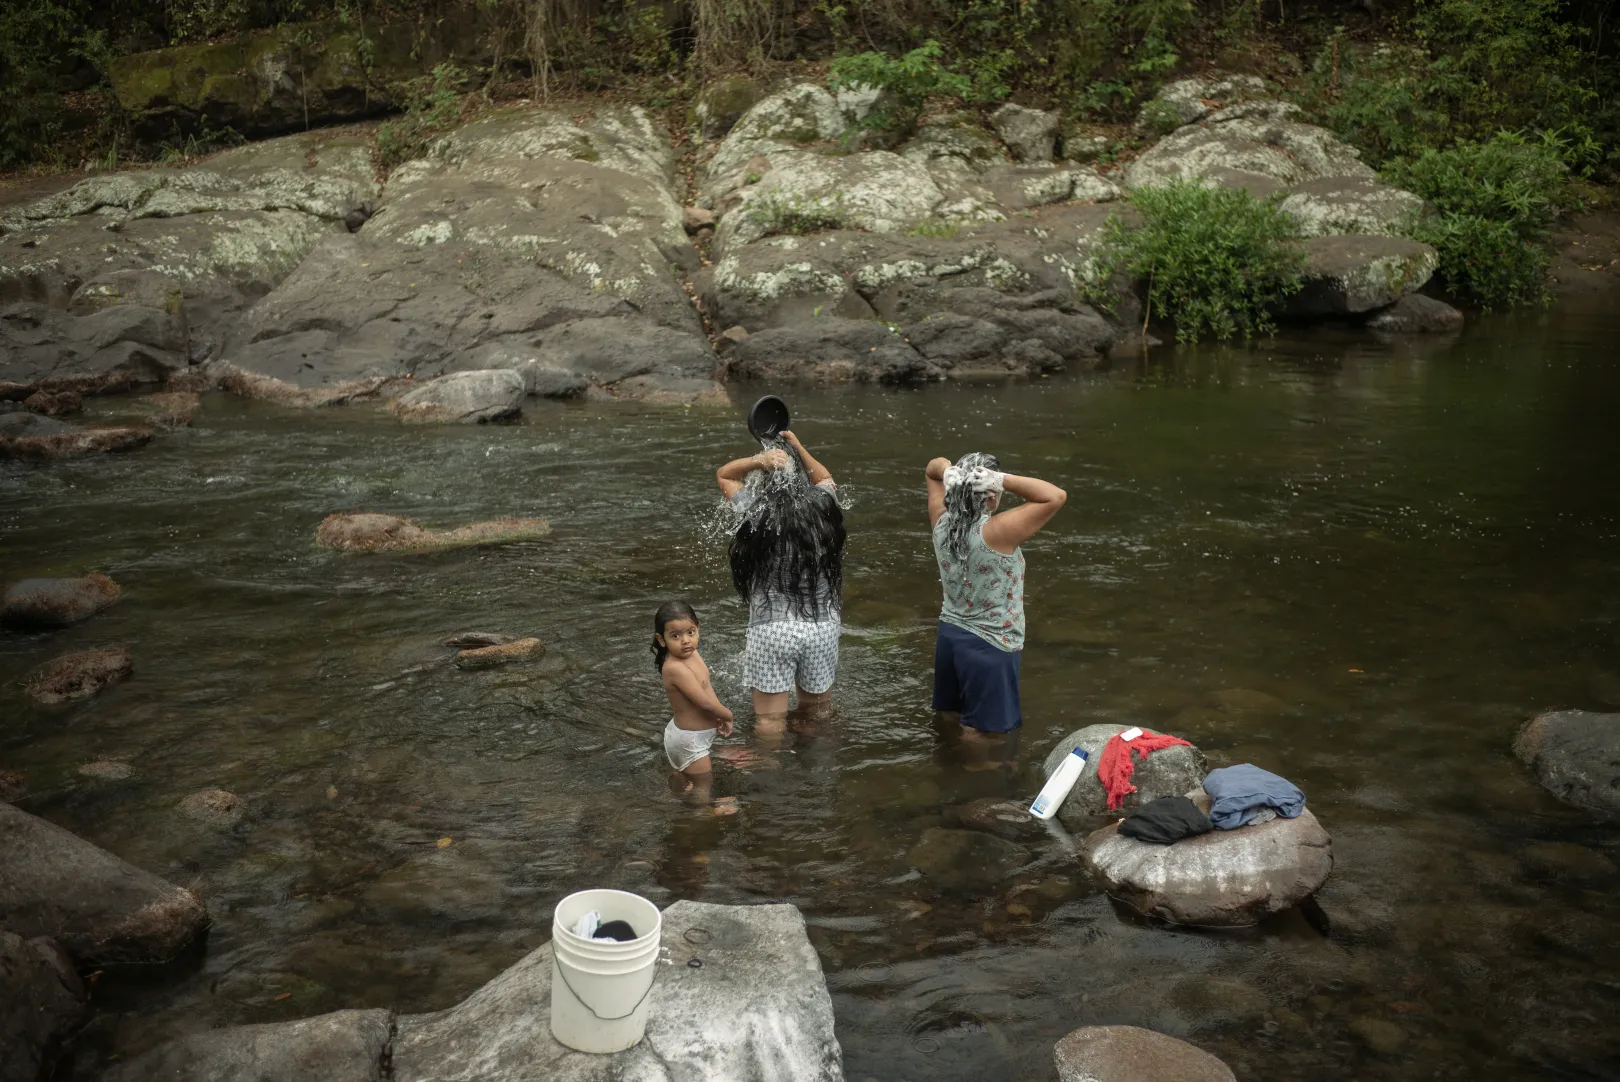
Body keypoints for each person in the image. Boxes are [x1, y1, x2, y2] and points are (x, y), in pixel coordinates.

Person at [925, 452, 1066, 759]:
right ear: (991, 496)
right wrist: (1003, 479)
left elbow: (932, 469)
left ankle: (946, 768)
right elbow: (1055, 496)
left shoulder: (941, 521)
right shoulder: (997, 532)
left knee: (951, 715)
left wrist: (949, 471)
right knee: (985, 734)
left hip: (950, 635)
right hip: (990, 644)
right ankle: (978, 791)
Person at [715, 430, 846, 733]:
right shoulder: (823, 508)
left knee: (770, 719)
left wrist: (757, 460)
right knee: (817, 713)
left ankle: (770, 772)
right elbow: (825, 478)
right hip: (822, 626)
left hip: (773, 629)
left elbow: (724, 476)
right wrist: (799, 446)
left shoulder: (757, 510)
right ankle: (816, 771)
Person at [652, 601, 735, 809]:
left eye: (691, 632)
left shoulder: (692, 654)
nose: (686, 641)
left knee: (692, 775)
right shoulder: (675, 668)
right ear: (661, 640)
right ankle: (701, 816)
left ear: (699, 628)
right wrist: (727, 715)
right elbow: (704, 703)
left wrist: (718, 716)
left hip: (690, 736)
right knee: (703, 784)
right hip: (689, 741)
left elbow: (706, 687)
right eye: (676, 636)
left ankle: (677, 783)